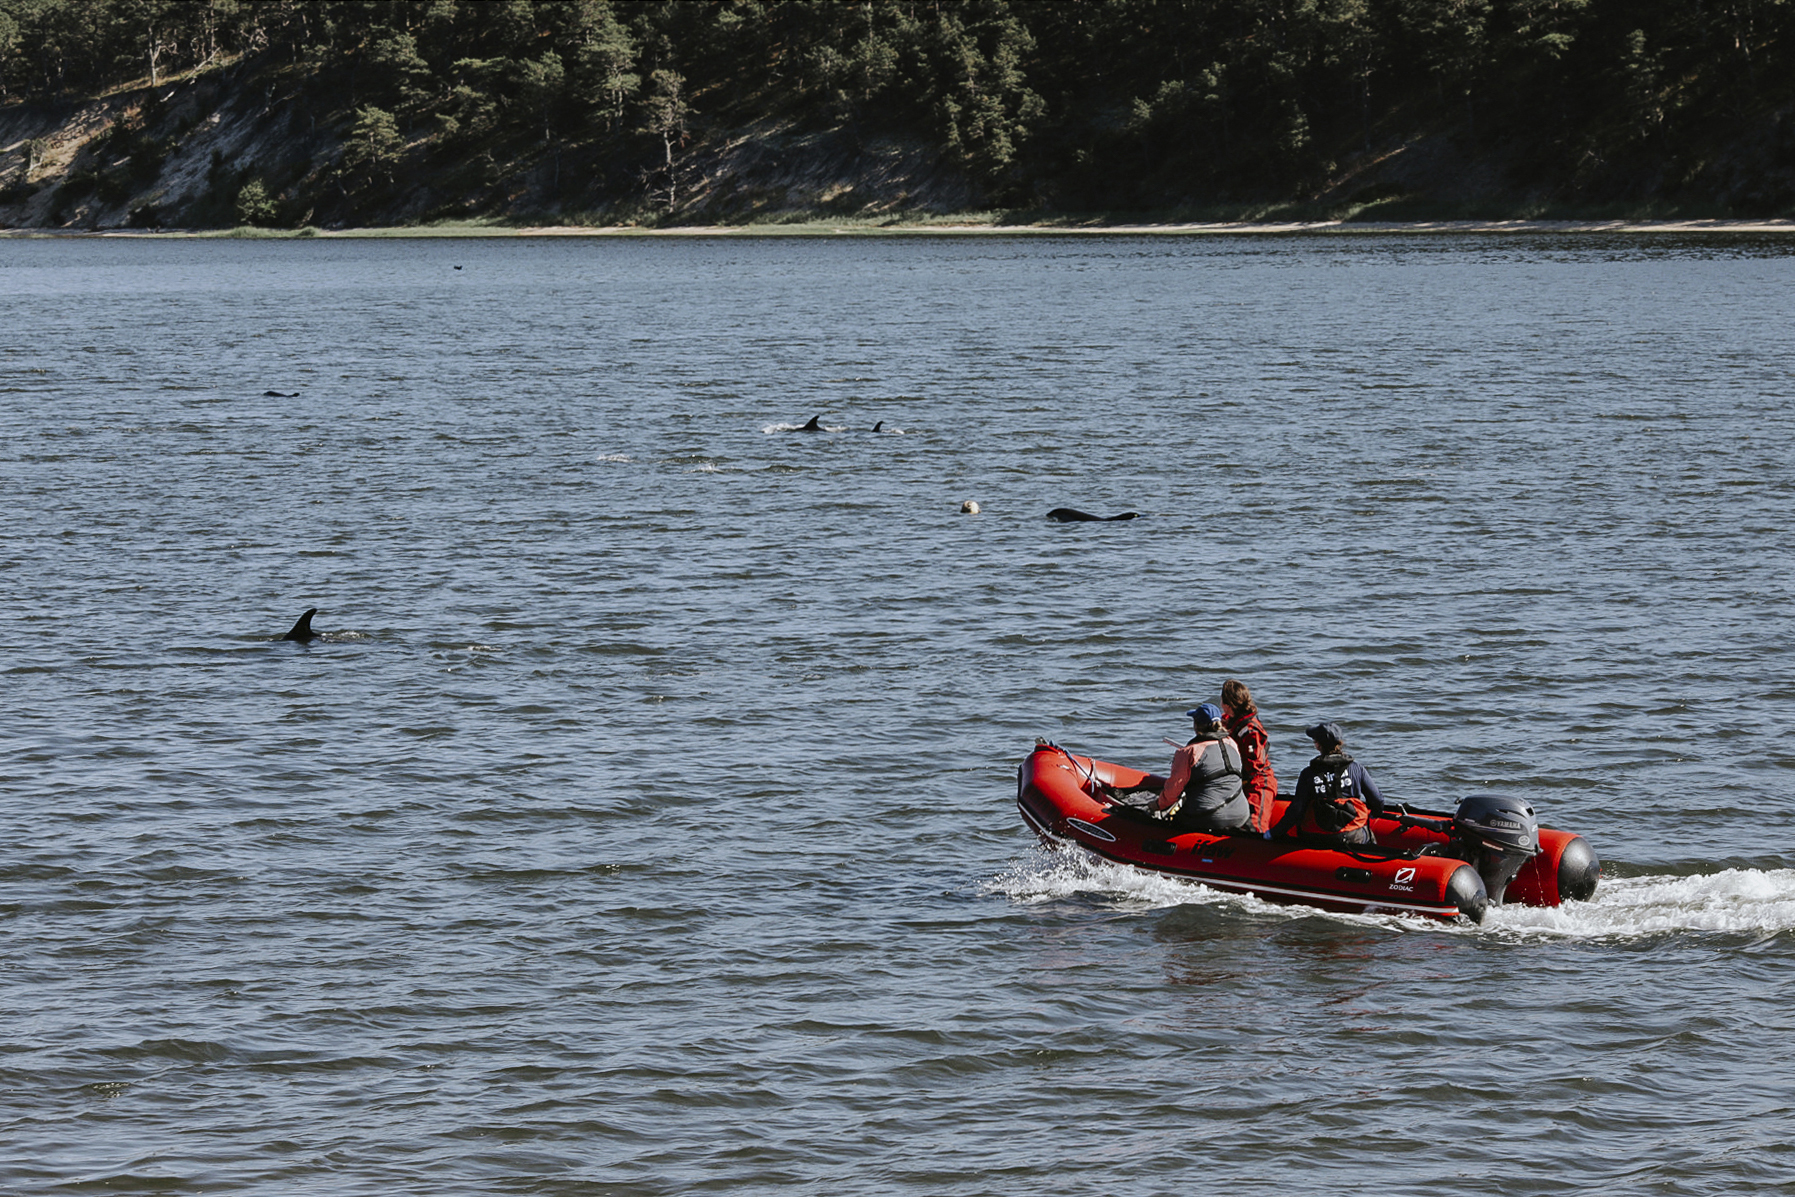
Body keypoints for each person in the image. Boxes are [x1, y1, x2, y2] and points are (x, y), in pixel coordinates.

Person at [1272, 721, 1385, 846]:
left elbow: (1296, 810)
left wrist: (1274, 834)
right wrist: (1375, 815)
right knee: (1368, 834)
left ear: (1318, 745)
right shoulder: (1357, 769)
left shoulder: (1308, 773)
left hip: (1316, 836)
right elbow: (1377, 800)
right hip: (1351, 835)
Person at [1148, 703, 1252, 834]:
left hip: (1207, 816)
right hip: (1241, 814)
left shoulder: (1189, 752)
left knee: (1167, 820)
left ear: (1196, 725)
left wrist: (1156, 805)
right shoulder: (1232, 743)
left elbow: (1173, 792)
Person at [1219, 679, 1277, 834]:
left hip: (1257, 783)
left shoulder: (1250, 730)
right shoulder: (1232, 723)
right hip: (1239, 782)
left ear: (1228, 704)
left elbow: (1254, 766)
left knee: (1253, 827)